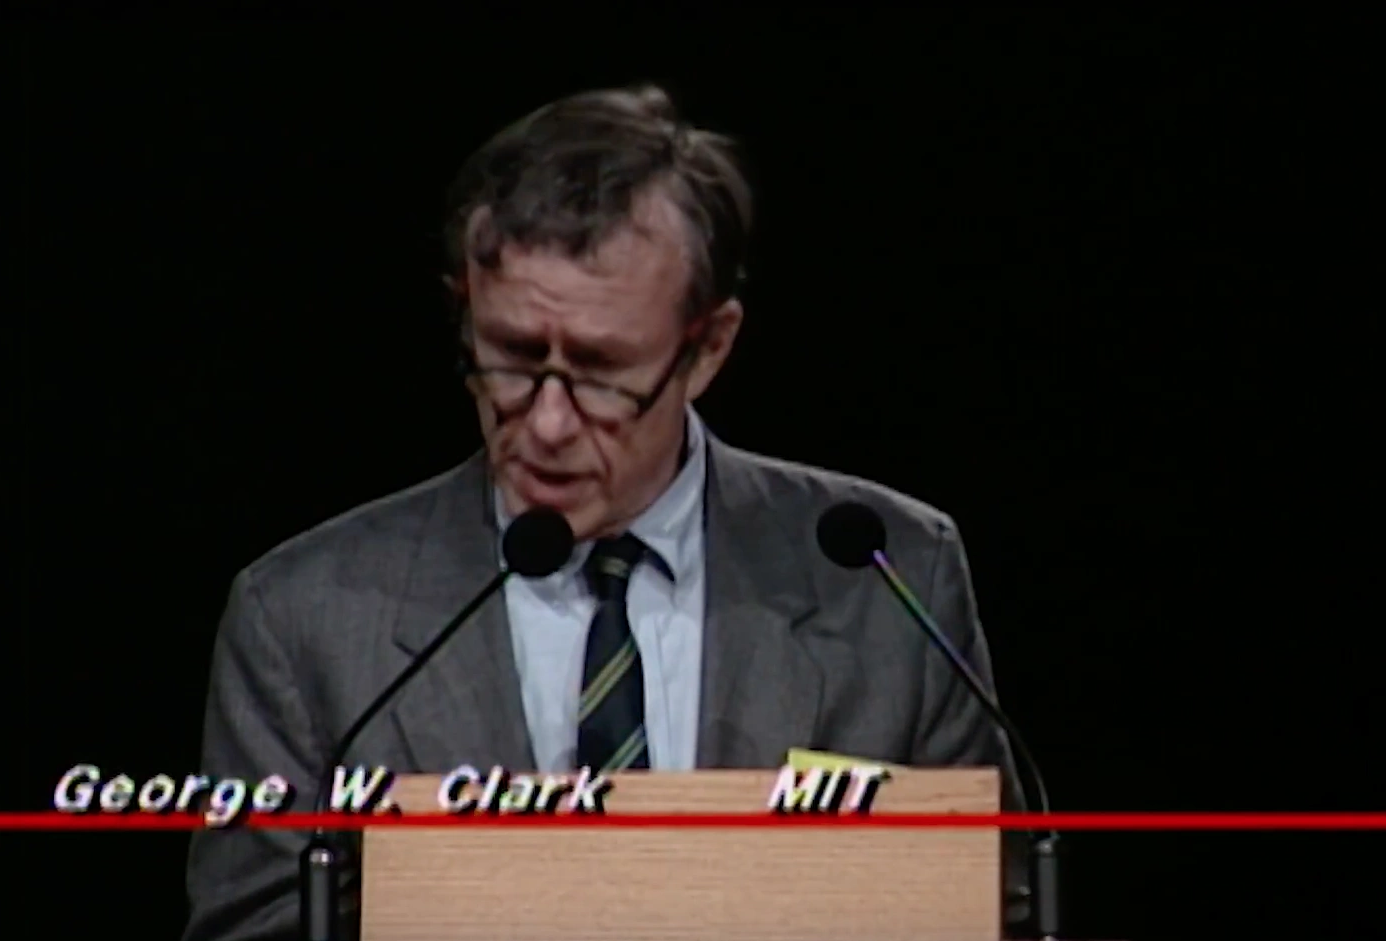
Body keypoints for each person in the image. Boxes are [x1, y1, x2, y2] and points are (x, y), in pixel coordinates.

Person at [182, 83, 1031, 940]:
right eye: (510, 358)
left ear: (707, 348)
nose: (546, 424)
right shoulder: (303, 620)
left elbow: (985, 910)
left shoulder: (886, 581)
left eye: (597, 370)